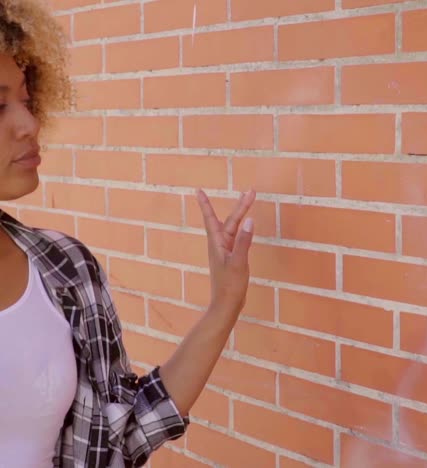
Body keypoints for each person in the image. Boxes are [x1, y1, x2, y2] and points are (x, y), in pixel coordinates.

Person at [0, 1, 256, 466]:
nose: (29, 124)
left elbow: (124, 432)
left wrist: (226, 303)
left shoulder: (64, 270)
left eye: (26, 99)